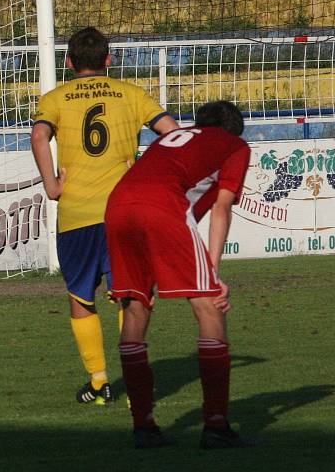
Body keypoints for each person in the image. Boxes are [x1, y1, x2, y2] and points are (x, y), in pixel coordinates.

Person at [31, 27, 178, 405]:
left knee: (81, 298)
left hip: (77, 213)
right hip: (125, 213)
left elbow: (38, 136)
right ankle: (134, 387)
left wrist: (51, 185)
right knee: (130, 298)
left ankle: (99, 383)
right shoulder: (131, 94)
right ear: (109, 60)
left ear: (68, 62)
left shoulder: (57, 97)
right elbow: (172, 134)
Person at [105, 100, 255, 449]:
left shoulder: (172, 140)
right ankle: (216, 426)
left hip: (117, 206)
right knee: (210, 305)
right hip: (160, 206)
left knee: (135, 309)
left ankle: (143, 426)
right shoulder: (234, 145)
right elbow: (221, 208)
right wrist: (213, 273)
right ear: (234, 129)